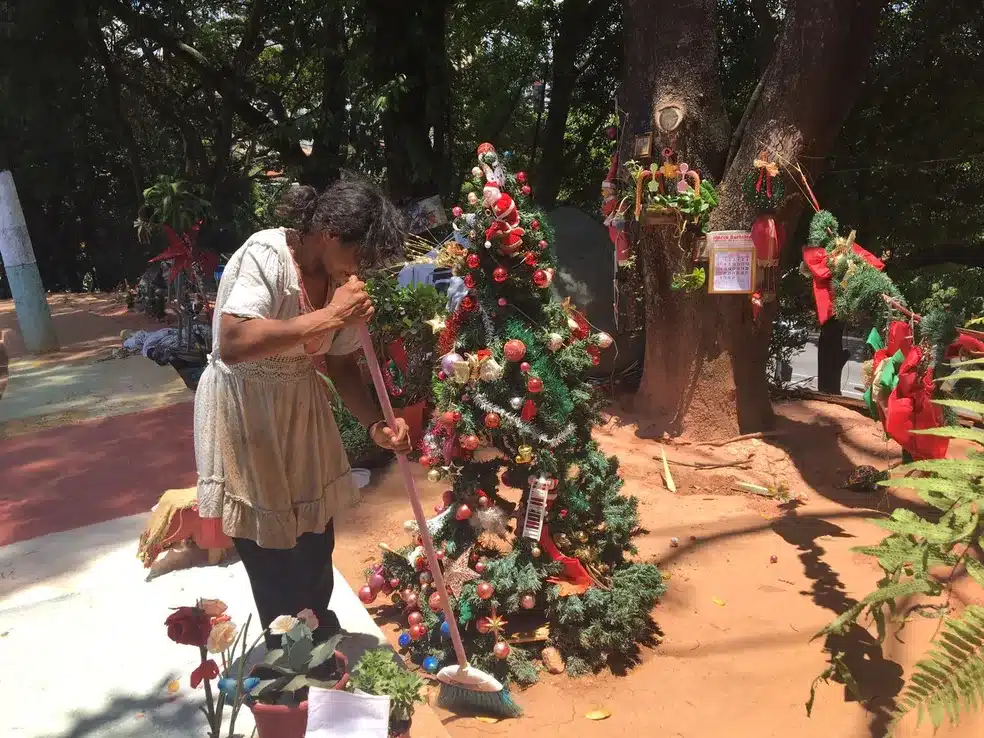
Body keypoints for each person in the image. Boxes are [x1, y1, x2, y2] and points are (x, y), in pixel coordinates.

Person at [194, 176, 412, 649]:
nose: (362, 270)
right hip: (245, 408)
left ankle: (317, 626)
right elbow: (232, 342)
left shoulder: (337, 282)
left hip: (299, 406)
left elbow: (340, 363)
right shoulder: (267, 256)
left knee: (315, 531)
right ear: (331, 233)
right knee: (270, 541)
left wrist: (374, 422)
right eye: (361, 255)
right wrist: (332, 315)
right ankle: (286, 647)